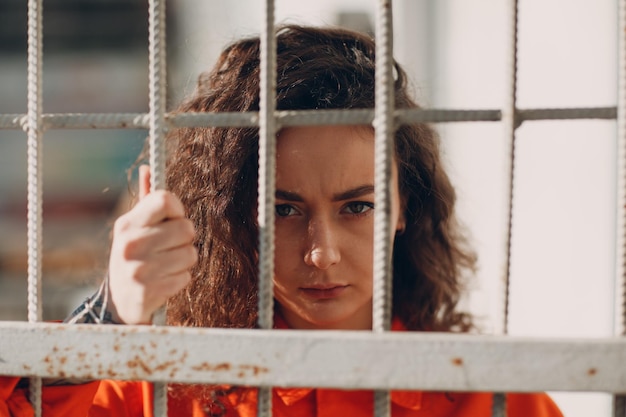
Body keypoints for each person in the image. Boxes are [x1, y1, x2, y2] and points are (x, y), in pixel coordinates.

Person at [3, 25, 563, 417]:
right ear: (230, 220)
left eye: (359, 206)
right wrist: (107, 321)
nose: (322, 254)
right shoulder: (166, 391)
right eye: (283, 209)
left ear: (405, 206)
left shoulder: (490, 401)